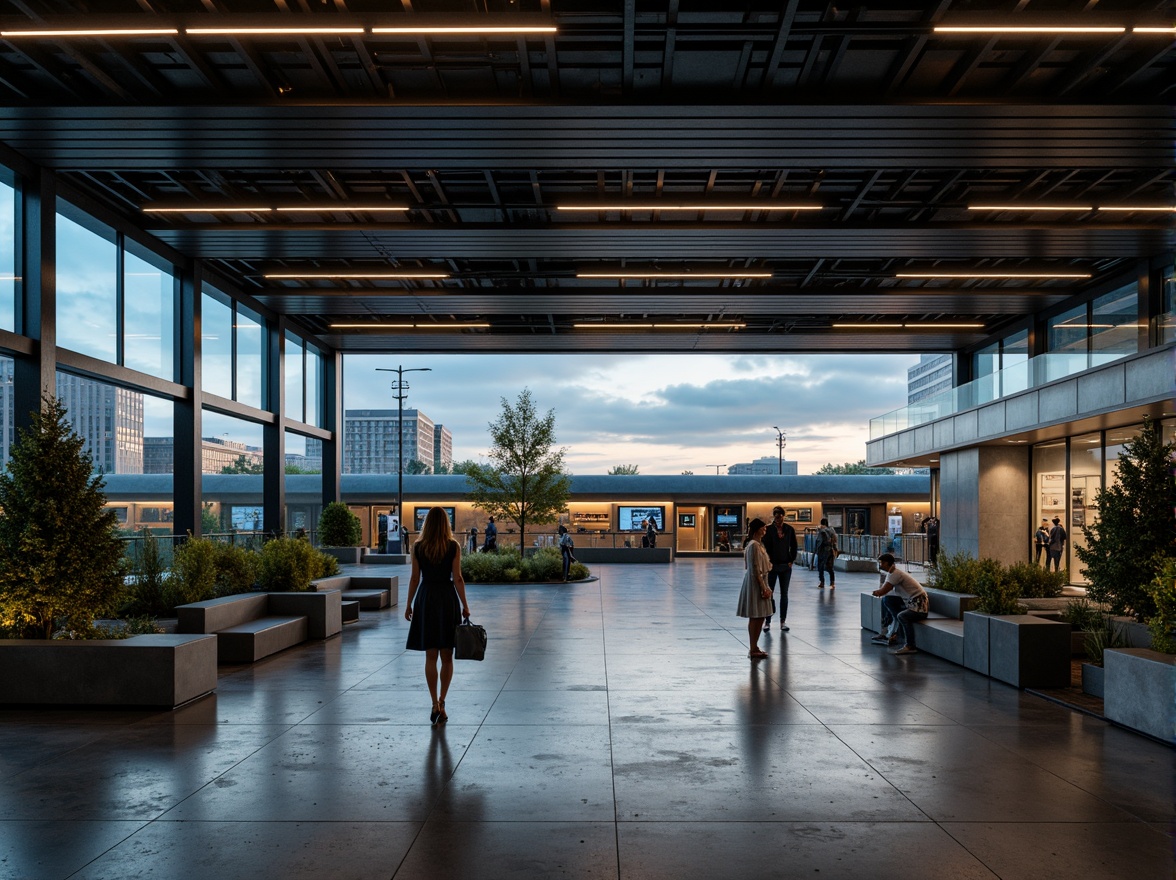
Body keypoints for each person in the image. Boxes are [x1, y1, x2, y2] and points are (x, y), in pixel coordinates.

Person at [404, 506, 471, 726]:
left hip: (426, 599)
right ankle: (443, 702)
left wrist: (408, 604)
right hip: (447, 599)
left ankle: (433, 703)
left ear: (427, 523)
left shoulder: (418, 547)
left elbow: (415, 578)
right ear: (446, 523)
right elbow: (458, 578)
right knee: (447, 656)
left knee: (430, 656)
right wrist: (465, 605)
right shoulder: (453, 546)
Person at [870, 553, 928, 655]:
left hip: (920, 607)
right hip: (912, 602)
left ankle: (910, 645)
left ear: (887, 563)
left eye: (881, 563)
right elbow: (885, 591)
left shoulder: (896, 574)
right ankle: (887, 631)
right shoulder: (891, 573)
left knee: (902, 616)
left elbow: (884, 590)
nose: (880, 565)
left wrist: (877, 592)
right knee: (886, 600)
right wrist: (880, 593)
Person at [736, 517, 773, 659]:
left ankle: (755, 646)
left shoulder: (759, 545)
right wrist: (764, 587)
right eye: (764, 527)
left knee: (760, 615)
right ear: (758, 529)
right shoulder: (754, 546)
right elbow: (755, 569)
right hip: (755, 584)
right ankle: (753, 648)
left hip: (760, 582)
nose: (765, 529)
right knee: (755, 615)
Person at [761, 506, 798, 632]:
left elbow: (794, 546)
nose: (777, 518)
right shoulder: (769, 530)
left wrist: (791, 560)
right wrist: (767, 561)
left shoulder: (789, 529)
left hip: (785, 566)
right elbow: (764, 546)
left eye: (779, 516)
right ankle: (768, 621)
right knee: (769, 593)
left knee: (784, 594)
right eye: (775, 516)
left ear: (783, 516)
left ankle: (783, 621)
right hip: (772, 566)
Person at [815, 517, 838, 590]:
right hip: (829, 551)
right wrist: (835, 549)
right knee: (830, 567)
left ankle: (822, 582)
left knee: (821, 567)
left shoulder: (822, 530)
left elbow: (818, 541)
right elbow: (834, 541)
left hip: (822, 551)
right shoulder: (832, 531)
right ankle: (832, 582)